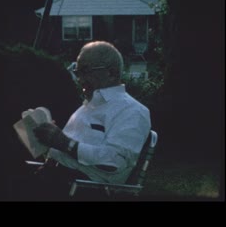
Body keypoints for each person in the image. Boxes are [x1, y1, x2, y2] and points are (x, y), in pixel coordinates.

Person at [33, 41, 151, 190]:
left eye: (86, 71)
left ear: (111, 73)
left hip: (82, 188)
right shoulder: (88, 106)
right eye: (77, 73)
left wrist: (64, 142)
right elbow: (66, 149)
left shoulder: (132, 111)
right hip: (54, 176)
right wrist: (48, 141)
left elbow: (114, 161)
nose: (80, 79)